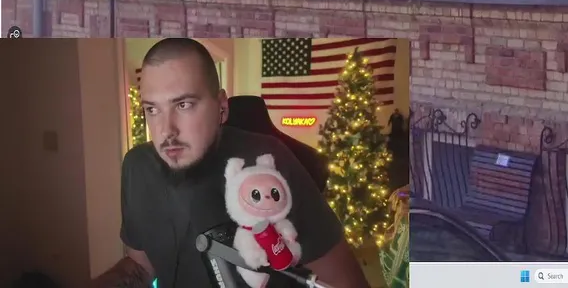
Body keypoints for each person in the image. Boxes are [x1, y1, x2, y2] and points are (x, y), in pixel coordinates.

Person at [88, 38, 371, 288]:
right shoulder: (137, 167)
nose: (166, 131)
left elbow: (344, 282)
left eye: (183, 105)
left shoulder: (270, 162)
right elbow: (141, 266)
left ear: (221, 107)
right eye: (152, 109)